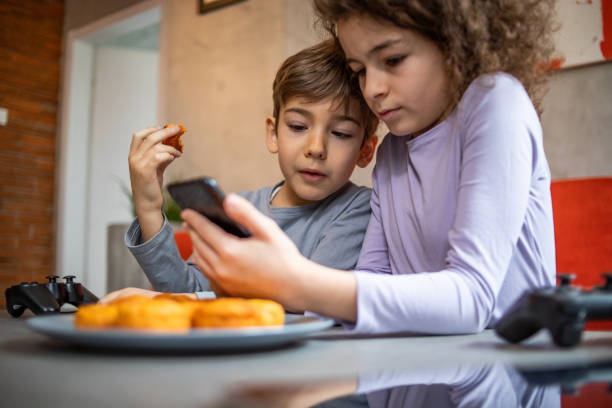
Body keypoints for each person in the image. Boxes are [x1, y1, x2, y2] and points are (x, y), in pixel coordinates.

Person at [180, 0, 558, 334]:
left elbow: (473, 298)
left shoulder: (495, 102)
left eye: (392, 60)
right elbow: (370, 281)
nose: (373, 88)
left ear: (456, 43)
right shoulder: (393, 151)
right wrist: (183, 304)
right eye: (359, 69)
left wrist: (292, 279)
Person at [102, 39, 379, 302]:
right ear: (273, 134)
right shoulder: (239, 207)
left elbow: (312, 301)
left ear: (365, 150)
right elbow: (184, 290)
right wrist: (148, 206)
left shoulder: (359, 209)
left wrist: (187, 299)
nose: (316, 148)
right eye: (297, 126)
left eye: (341, 133)